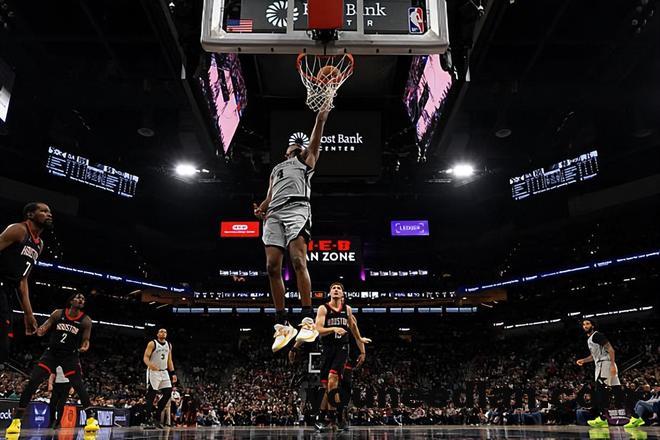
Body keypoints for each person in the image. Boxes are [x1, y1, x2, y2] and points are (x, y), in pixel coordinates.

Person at [253, 110, 330, 352]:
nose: (296, 146)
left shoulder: (306, 161)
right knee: (271, 267)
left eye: (299, 145)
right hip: (274, 214)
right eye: (292, 146)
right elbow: (269, 196)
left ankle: (307, 319)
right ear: (285, 152)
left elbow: (315, 139)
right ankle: (282, 324)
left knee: (297, 260)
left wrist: (320, 119)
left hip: (297, 208)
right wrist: (261, 209)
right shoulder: (276, 169)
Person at [5, 292, 99, 436]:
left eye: (83, 299)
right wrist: (41, 330)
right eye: (78, 297)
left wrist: (85, 345)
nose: (81, 300)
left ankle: (91, 419)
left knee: (78, 384)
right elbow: (45, 327)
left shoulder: (86, 320)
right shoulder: (58, 313)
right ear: (71, 301)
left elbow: (86, 339)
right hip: (52, 353)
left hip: (70, 355)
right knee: (33, 381)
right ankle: (16, 421)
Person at [0, 202, 52, 363]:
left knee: (4, 347)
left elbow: (23, 280)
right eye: (43, 211)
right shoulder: (19, 230)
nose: (49, 214)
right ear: (30, 214)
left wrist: (28, 314)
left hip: (8, 291)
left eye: (50, 212)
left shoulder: (39, 245)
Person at [313, 282, 367, 432]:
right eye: (333, 288)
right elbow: (318, 329)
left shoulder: (347, 309)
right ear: (329, 293)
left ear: (343, 294)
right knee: (327, 387)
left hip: (342, 349)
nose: (336, 290)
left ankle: (334, 418)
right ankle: (328, 417)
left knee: (332, 381)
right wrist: (333, 328)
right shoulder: (323, 308)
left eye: (339, 288)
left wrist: (362, 350)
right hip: (327, 349)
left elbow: (354, 329)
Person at [576, 318, 622, 428]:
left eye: (587, 324)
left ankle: (602, 418)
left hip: (605, 364)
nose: (585, 326)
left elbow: (611, 350)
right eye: (583, 324)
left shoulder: (597, 335)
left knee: (600, 391)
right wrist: (584, 360)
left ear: (592, 325)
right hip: (603, 364)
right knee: (617, 390)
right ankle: (634, 416)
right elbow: (593, 356)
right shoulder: (590, 339)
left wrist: (612, 365)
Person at [142, 328, 177, 428]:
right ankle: (148, 419)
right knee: (151, 395)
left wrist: (173, 373)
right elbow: (145, 357)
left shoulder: (169, 345)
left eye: (165, 332)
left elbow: (169, 360)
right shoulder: (152, 343)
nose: (163, 333)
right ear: (157, 334)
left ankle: (157, 414)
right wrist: (150, 365)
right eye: (161, 331)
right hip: (153, 371)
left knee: (168, 392)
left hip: (164, 371)